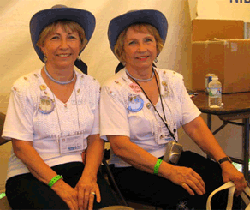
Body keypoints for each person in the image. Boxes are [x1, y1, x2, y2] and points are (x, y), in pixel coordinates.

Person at [100, 9, 247, 209]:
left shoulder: (172, 79)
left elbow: (194, 125)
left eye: (148, 40)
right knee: (189, 198)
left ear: (157, 45)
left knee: (225, 186)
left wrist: (225, 162)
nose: (142, 48)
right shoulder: (113, 88)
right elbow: (120, 147)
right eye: (132, 42)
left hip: (173, 157)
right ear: (121, 50)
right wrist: (169, 171)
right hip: (133, 169)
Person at [2, 5, 120, 210]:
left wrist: (89, 178)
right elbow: (21, 148)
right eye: (55, 38)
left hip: (78, 170)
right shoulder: (25, 87)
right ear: (41, 45)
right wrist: (59, 185)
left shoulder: (91, 85)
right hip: (29, 175)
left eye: (72, 37)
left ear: (81, 44)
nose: (64, 45)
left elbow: (95, 139)